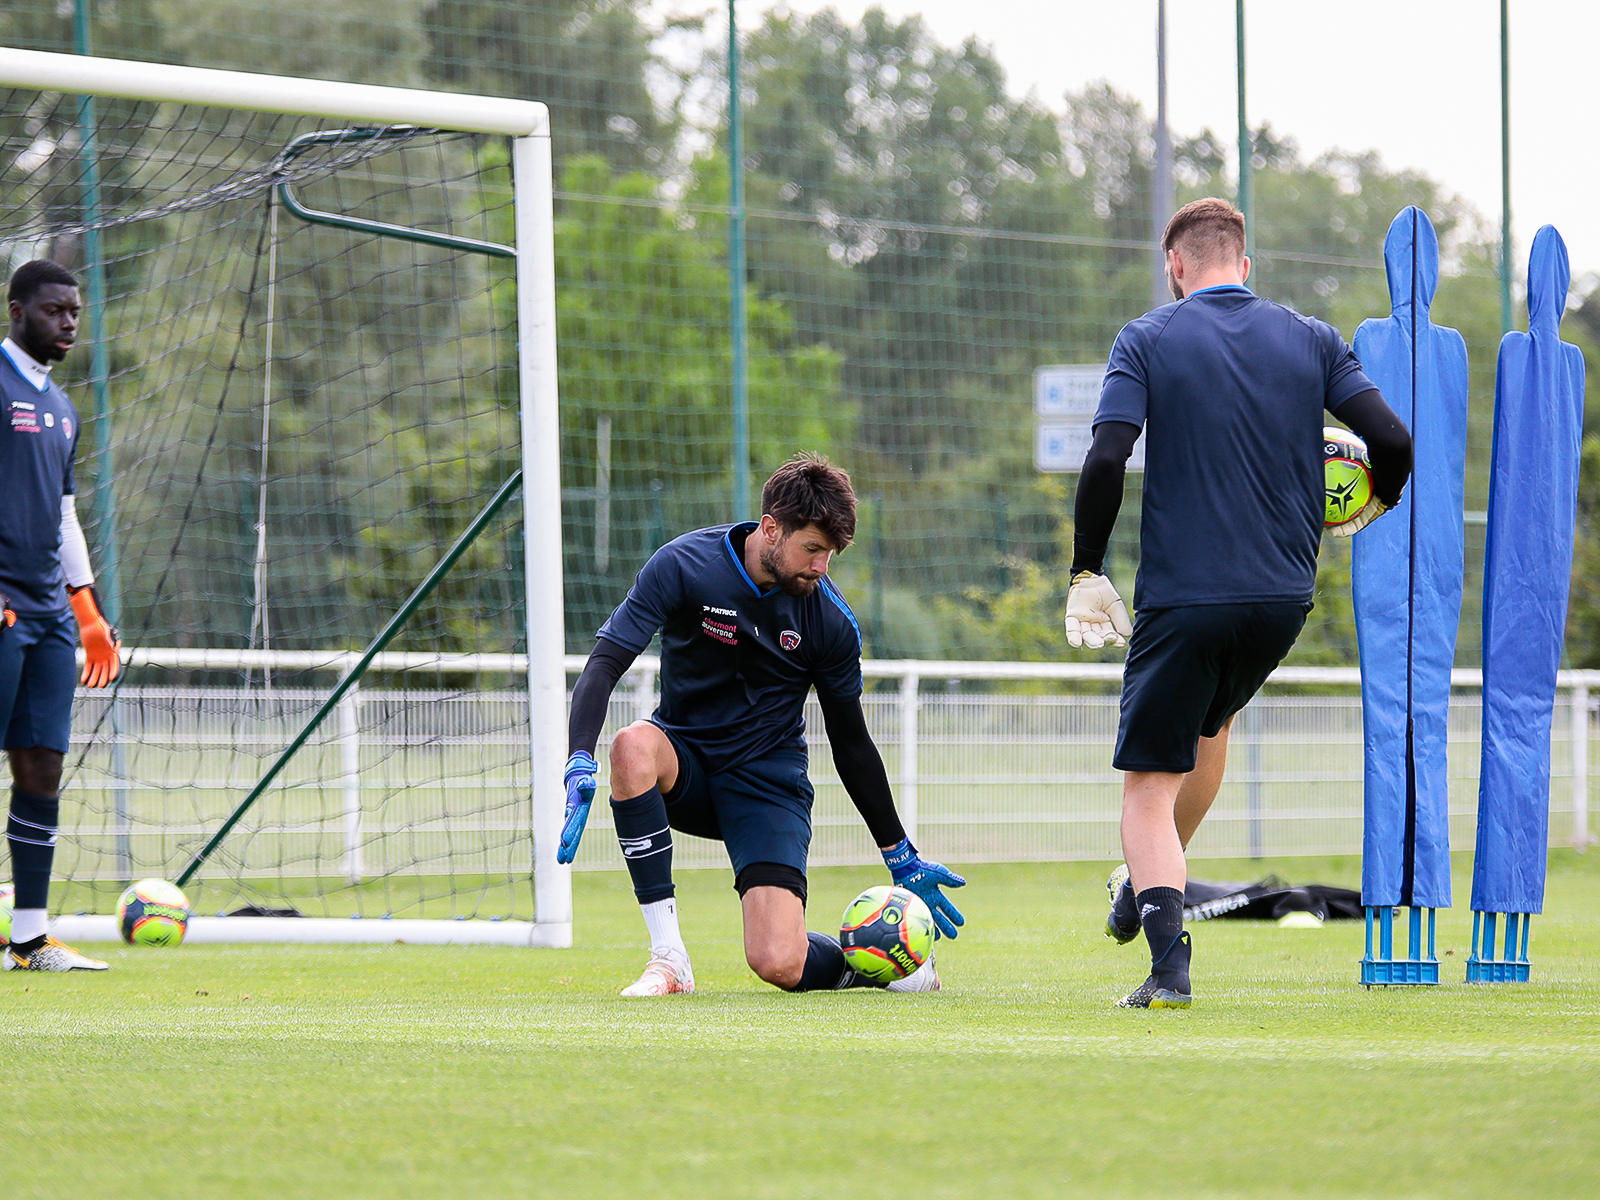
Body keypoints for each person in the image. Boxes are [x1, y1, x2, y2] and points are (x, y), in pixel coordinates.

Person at [1063, 199, 1411, 1009]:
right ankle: (1148, 884)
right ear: (1244, 265)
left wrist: (1087, 571)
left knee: (1146, 788)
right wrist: (1378, 503)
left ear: (1175, 266)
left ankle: (1166, 963)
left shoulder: (1147, 336)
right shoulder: (1313, 337)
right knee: (1210, 727)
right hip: (1283, 599)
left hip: (1186, 598)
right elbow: (1391, 442)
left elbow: (1108, 453)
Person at [558, 453, 965, 996]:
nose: (822, 567)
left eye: (831, 554)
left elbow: (851, 743)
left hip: (767, 786)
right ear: (771, 529)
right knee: (632, 745)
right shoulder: (683, 564)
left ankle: (881, 970)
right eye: (813, 549)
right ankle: (669, 959)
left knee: (778, 962)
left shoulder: (831, 622)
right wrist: (579, 755)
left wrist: (899, 852)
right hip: (687, 768)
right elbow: (606, 661)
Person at [1, 259, 123, 972]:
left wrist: (88, 609)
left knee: (42, 766)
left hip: (47, 616)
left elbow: (66, 514)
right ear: (17, 311)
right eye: (54, 311)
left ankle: (30, 938)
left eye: (74, 311)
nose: (69, 323)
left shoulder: (64, 407)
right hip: (4, 609)